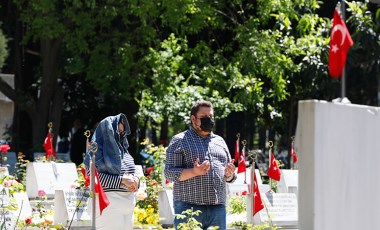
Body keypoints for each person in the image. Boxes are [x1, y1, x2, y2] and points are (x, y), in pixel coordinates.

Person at [164, 100, 236, 230]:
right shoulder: (179, 140)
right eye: (204, 117)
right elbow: (169, 172)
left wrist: (229, 174)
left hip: (217, 208)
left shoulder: (220, 141)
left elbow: (229, 177)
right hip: (188, 207)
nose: (209, 120)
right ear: (193, 118)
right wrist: (194, 172)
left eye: (211, 117)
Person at [84, 113, 139, 230]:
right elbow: (93, 179)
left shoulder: (124, 150)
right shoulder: (96, 152)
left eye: (122, 132)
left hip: (127, 205)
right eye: (117, 131)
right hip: (108, 206)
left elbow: (134, 171)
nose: (120, 135)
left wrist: (136, 181)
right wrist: (122, 180)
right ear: (108, 131)